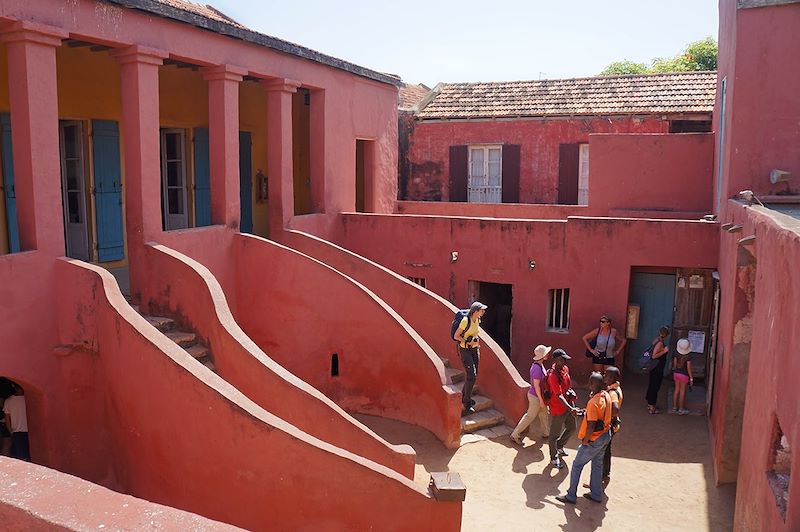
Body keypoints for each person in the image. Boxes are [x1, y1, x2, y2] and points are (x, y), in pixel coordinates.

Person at [556, 372, 613, 505]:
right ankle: (596, 494)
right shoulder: (606, 395)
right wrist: (583, 412)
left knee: (577, 465)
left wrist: (586, 440)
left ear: (593, 384)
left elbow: (592, 424)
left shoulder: (593, 402)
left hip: (594, 439)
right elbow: (598, 415)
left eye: (590, 382)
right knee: (597, 464)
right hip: (605, 435)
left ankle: (571, 495)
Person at [510, 344, 552, 446]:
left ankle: (546, 433)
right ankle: (515, 434)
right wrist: (541, 400)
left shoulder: (539, 365)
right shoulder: (537, 368)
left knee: (544, 414)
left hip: (538, 395)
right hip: (536, 397)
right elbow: (536, 386)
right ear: (542, 356)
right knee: (530, 416)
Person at [546, 349, 580, 469]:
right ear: (555, 360)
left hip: (568, 405)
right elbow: (558, 395)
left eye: (565, 359)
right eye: (562, 359)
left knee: (572, 427)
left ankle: (559, 446)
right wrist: (571, 408)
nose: (564, 362)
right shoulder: (552, 376)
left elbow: (568, 386)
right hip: (558, 408)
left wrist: (571, 397)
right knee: (554, 434)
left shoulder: (565, 369)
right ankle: (553, 457)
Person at [453, 301, 487, 414]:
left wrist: (475, 341)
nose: (483, 312)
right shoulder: (465, 321)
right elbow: (456, 336)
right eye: (481, 310)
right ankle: (467, 402)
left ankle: (464, 397)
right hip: (465, 350)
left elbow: (475, 332)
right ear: (475, 311)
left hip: (474, 349)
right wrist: (468, 340)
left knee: (473, 375)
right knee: (471, 375)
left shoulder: (477, 320)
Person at [601, 366, 622, 484]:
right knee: (606, 451)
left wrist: (606, 414)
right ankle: (605, 475)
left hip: (609, 424)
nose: (604, 377)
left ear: (613, 378)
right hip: (614, 424)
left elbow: (615, 408)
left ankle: (600, 478)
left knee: (602, 452)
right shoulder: (617, 388)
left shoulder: (613, 393)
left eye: (607, 375)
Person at [645, 325, 671, 414]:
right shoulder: (660, 343)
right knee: (655, 386)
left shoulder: (656, 340)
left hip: (654, 367)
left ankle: (650, 403)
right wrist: (664, 351)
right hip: (657, 367)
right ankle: (652, 407)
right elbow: (654, 356)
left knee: (652, 384)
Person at [3, 382, 30, 461]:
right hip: (28, 431)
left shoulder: (8, 401)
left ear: (13, 385)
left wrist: (11, 431)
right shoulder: (28, 398)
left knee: (22, 457)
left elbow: (7, 419)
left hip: (17, 432)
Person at [671, 338, 694, 415]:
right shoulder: (688, 356)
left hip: (676, 373)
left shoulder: (675, 353)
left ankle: (674, 408)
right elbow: (688, 368)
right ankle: (681, 409)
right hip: (684, 375)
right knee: (682, 392)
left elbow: (674, 365)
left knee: (676, 390)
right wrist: (691, 377)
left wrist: (674, 370)